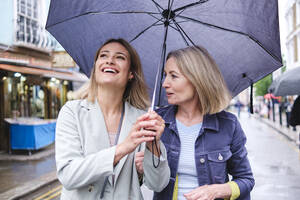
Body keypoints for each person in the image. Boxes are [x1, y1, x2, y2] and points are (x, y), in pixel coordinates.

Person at [55, 38, 170, 200]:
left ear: (131, 73)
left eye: (120, 57)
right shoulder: (72, 112)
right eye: (103, 56)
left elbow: (158, 184)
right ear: (95, 68)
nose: (110, 60)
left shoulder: (142, 120)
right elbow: (68, 175)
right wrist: (123, 148)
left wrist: (154, 146)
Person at [137, 46, 254, 200]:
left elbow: (246, 180)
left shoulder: (228, 125)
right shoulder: (156, 122)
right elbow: (148, 182)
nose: (165, 83)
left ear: (197, 79)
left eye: (173, 76)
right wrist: (141, 169)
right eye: (165, 75)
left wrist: (217, 190)